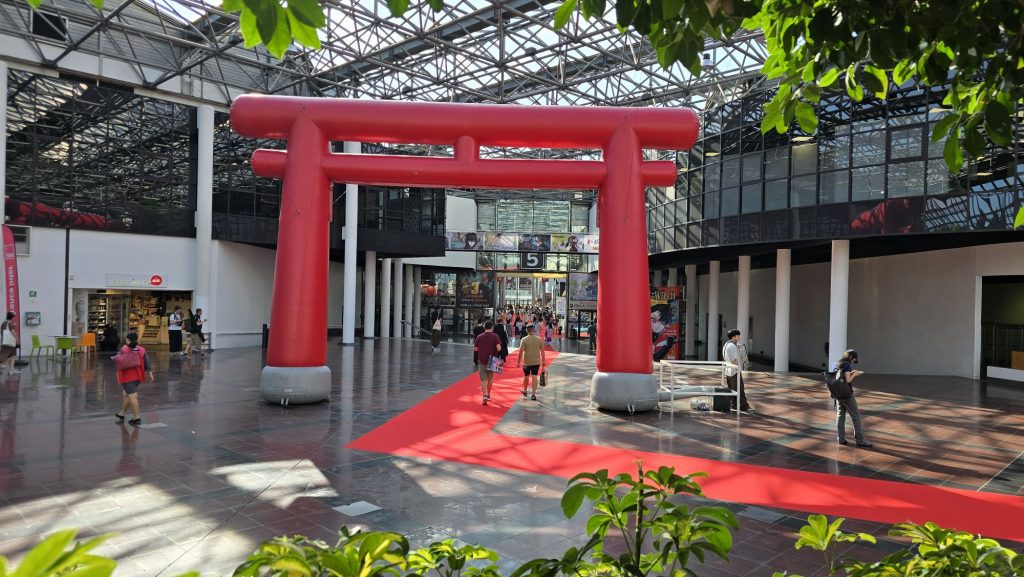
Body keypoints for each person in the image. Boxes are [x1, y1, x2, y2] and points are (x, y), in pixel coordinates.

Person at [834, 349, 872, 447]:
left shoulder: (839, 363)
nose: (853, 362)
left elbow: (841, 377)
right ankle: (860, 440)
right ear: (851, 357)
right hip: (847, 395)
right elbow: (848, 380)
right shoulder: (846, 364)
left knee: (840, 415)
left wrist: (852, 372)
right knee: (856, 417)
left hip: (838, 394)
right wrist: (855, 374)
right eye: (854, 360)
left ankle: (841, 438)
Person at [114, 332, 154, 426]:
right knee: (126, 394)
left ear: (127, 340)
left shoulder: (124, 349)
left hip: (127, 377)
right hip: (138, 376)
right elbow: (147, 361)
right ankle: (122, 413)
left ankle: (137, 417)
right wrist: (150, 373)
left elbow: (118, 361)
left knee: (132, 396)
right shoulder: (141, 349)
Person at [722, 329, 754, 412]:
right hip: (734, 371)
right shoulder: (732, 346)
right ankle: (744, 406)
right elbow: (734, 360)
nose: (739, 337)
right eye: (738, 336)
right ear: (734, 336)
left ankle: (734, 404)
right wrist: (738, 369)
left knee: (732, 389)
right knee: (740, 389)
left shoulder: (726, 345)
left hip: (728, 370)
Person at [474, 321, 502, 405]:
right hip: (492, 360)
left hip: (482, 360)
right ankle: (489, 394)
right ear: (492, 327)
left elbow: (475, 349)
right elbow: (499, 348)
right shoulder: (495, 336)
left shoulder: (479, 336)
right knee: (490, 379)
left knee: (483, 380)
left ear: (484, 327)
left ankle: (484, 396)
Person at [516, 324, 546, 401]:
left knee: (526, 376)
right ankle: (533, 394)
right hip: (536, 361)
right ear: (533, 330)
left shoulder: (524, 339)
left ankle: (525, 390)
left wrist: (518, 361)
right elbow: (542, 351)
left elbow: (521, 351)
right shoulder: (539, 339)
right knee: (534, 377)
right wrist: (543, 361)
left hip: (526, 361)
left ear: (527, 331)